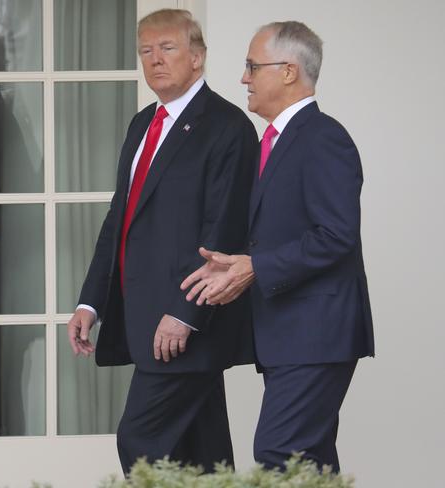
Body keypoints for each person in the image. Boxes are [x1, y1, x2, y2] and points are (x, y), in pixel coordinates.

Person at [66, 9, 258, 474]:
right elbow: (121, 220)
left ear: (197, 57)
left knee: (141, 440)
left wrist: (185, 314)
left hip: (184, 322)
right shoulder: (142, 124)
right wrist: (91, 303)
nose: (155, 60)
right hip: (144, 315)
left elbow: (225, 232)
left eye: (167, 48)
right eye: (146, 51)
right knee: (203, 454)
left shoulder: (228, 127)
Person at [181, 21, 375, 472]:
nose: (243, 78)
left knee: (281, 454)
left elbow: (336, 235)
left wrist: (256, 266)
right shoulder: (275, 141)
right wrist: (234, 264)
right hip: (289, 334)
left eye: (251, 66)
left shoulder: (323, 137)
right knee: (308, 463)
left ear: (288, 71)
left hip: (316, 333)